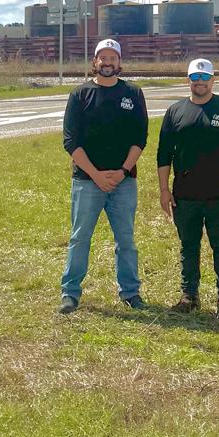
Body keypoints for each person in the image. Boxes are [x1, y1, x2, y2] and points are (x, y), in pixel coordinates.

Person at [59, 39, 148, 314]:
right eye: (102, 58)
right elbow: (71, 141)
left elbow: (140, 138)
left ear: (119, 63)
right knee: (79, 238)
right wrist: (96, 175)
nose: (107, 63)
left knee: (126, 240)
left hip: (124, 182)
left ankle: (130, 292)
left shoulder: (133, 93)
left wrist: (122, 172)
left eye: (112, 58)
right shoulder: (79, 95)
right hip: (87, 182)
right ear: (94, 62)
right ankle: (70, 293)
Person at [157, 56, 219, 315]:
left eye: (205, 77)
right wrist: (164, 190)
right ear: (188, 80)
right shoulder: (175, 111)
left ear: (213, 80)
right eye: (195, 77)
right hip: (185, 195)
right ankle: (189, 296)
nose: (200, 82)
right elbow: (164, 154)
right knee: (189, 247)